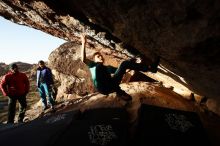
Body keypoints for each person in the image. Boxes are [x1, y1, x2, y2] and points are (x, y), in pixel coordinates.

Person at [81, 34, 160, 101]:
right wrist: (83, 43)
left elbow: (123, 70)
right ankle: (119, 91)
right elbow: (83, 59)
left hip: (111, 85)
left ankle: (120, 93)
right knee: (122, 65)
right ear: (94, 60)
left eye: (101, 56)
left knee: (124, 64)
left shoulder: (107, 68)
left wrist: (133, 64)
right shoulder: (93, 65)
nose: (100, 57)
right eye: (98, 56)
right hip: (103, 88)